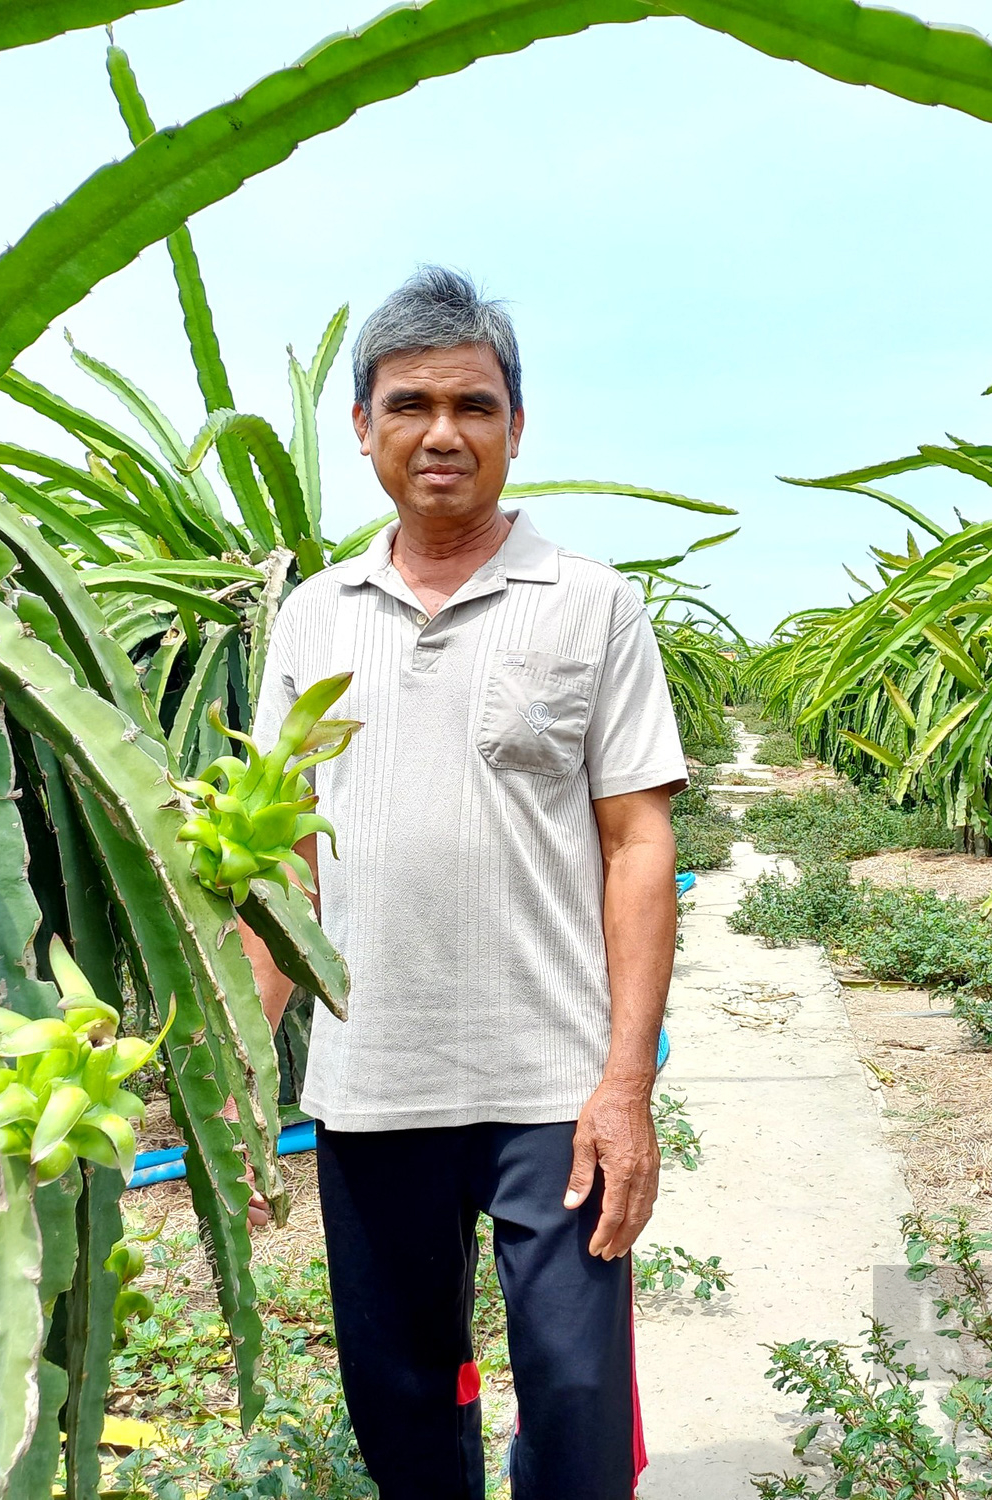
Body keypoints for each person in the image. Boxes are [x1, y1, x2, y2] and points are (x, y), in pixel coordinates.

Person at [241, 266, 686, 1500]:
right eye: (411, 404)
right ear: (363, 427)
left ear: (514, 427)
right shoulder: (313, 619)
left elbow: (638, 840)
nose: (443, 432)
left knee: (579, 1397)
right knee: (400, 1391)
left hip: (551, 1082)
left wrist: (625, 1081)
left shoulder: (589, 604)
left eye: (474, 405)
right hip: (370, 1078)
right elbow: (286, 851)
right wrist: (239, 1055)